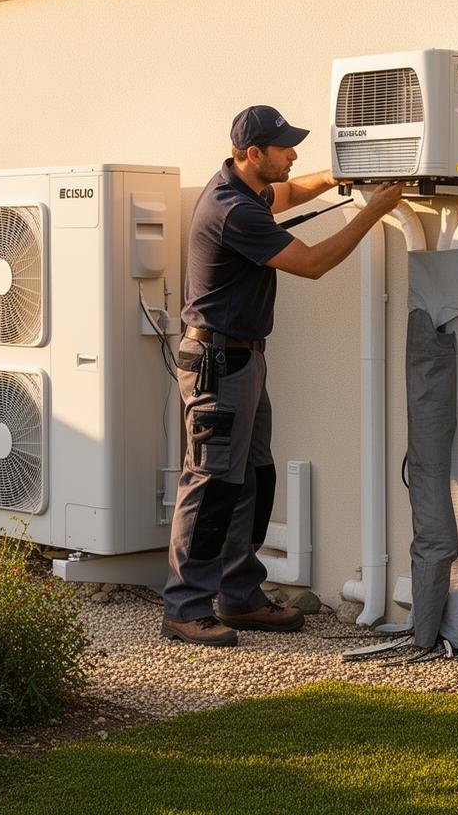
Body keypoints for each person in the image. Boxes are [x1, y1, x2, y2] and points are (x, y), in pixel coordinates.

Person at [161, 105, 404, 646]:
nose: (293, 155)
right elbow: (314, 263)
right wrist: (374, 211)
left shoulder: (242, 188)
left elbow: (290, 194)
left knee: (253, 478)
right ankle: (184, 608)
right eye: (284, 147)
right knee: (210, 485)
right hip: (218, 365)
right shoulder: (233, 209)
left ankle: (240, 596)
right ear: (254, 154)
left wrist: (341, 176)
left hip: (242, 359)